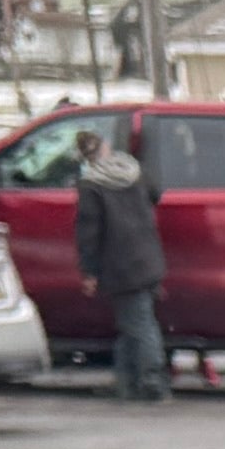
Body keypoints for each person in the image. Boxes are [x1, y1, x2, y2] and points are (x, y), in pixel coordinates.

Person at [72, 130, 170, 403]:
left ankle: (153, 384)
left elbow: (89, 233)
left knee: (139, 324)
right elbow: (156, 194)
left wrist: (89, 271)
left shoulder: (91, 184)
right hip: (148, 258)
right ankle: (127, 384)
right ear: (106, 145)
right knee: (131, 323)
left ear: (84, 157)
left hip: (120, 264)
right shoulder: (133, 169)